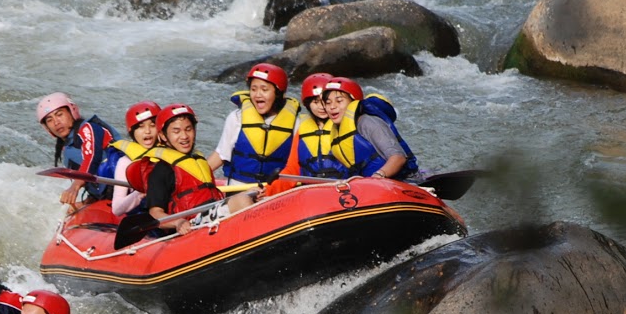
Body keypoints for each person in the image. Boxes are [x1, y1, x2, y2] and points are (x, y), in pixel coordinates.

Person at [285, 76, 421, 181]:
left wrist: (378, 176)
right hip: (372, 187)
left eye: (339, 101)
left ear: (353, 102)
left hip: (404, 181)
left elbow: (398, 157)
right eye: (328, 103)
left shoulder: (368, 122)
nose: (332, 107)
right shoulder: (336, 134)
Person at [207, 63, 299, 212]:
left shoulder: (295, 122)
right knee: (244, 203)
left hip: (273, 194)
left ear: (278, 93)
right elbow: (221, 155)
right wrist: (193, 175)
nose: (257, 95)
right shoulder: (237, 118)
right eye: (253, 89)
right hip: (239, 192)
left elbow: (295, 165)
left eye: (264, 90)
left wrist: (273, 189)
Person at [140, 104, 225, 236]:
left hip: (213, 216)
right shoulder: (162, 170)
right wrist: (177, 222)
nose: (184, 136)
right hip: (192, 225)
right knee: (240, 201)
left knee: (248, 197)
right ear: (163, 136)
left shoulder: (198, 160)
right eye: (176, 131)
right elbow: (155, 213)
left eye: (188, 129)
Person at [38, 92, 116, 210]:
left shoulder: (89, 128)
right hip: (107, 197)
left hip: (126, 191)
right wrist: (86, 202)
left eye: (59, 114)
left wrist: (75, 186)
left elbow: (92, 158)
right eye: (49, 120)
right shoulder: (67, 148)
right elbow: (95, 183)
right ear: (47, 128)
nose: (56, 122)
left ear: (72, 111)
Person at [104, 101, 163, 216]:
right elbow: (117, 209)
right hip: (144, 217)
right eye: (141, 127)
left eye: (152, 125)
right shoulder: (125, 162)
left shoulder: (172, 153)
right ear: (132, 132)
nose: (147, 131)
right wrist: (140, 193)